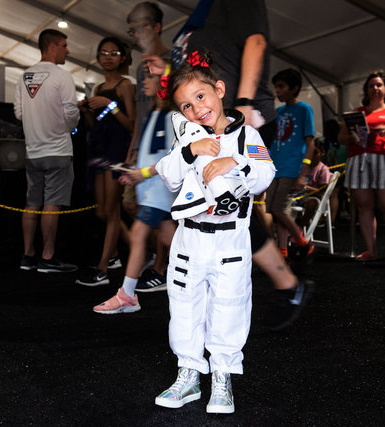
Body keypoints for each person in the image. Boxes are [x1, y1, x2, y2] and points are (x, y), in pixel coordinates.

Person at [146, 0, 312, 332]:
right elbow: (201, 65)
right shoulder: (201, 12)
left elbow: (256, 41)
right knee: (219, 210)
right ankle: (279, 286)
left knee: (230, 211)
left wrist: (244, 104)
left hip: (234, 117)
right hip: (209, 124)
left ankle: (285, 286)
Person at [153, 52, 275, 414]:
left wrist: (234, 161)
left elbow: (265, 174)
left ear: (219, 90)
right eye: (186, 106)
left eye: (201, 97)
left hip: (230, 240)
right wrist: (191, 150)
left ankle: (222, 376)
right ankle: (188, 373)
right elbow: (169, 175)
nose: (196, 109)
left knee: (230, 305)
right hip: (189, 238)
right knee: (184, 306)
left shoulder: (248, 135)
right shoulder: (187, 137)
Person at [90, 70, 177, 312]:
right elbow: (153, 154)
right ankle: (203, 280)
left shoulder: (171, 116)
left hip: (159, 192)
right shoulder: (153, 114)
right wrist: (134, 173)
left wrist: (143, 174)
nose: (144, 83)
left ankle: (127, 295)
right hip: (151, 191)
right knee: (176, 241)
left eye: (151, 79)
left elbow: (171, 158)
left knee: (138, 234)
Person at [14, 29, 80, 273]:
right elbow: (71, 113)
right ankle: (47, 257)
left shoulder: (24, 76)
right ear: (52, 47)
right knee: (51, 204)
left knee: (31, 203)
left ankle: (28, 256)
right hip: (58, 149)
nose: (67, 50)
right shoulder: (62, 77)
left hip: (33, 150)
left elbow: (19, 114)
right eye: (64, 45)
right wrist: (67, 127)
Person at [76, 37, 135, 286]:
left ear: (123, 57)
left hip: (117, 152)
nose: (108, 57)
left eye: (113, 53)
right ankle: (132, 251)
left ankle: (103, 268)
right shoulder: (98, 88)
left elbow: (132, 125)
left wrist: (111, 105)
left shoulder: (125, 86)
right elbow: (95, 126)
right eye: (103, 53)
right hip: (99, 151)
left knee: (112, 210)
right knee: (102, 211)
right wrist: (87, 112)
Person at [338, 71, 385, 261]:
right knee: (365, 206)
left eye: (379, 85)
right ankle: (371, 250)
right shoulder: (357, 112)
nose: (375, 88)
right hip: (359, 159)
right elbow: (341, 138)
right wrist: (352, 138)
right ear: (366, 90)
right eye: (371, 85)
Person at [123, 2, 172, 290]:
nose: (137, 33)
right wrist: (131, 154)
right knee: (136, 208)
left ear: (156, 27)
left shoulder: (170, 62)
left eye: (142, 26)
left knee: (152, 217)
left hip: (163, 154)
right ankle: (162, 262)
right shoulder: (145, 67)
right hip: (144, 148)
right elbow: (143, 115)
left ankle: (161, 267)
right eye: (133, 28)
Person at [267, 68, 315, 258]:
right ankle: (283, 252)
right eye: (276, 87)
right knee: (272, 211)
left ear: (294, 88)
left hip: (291, 168)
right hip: (274, 167)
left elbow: (310, 142)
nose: (277, 91)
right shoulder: (278, 111)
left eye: (281, 87)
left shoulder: (304, 109)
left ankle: (303, 242)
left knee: (279, 209)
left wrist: (303, 173)